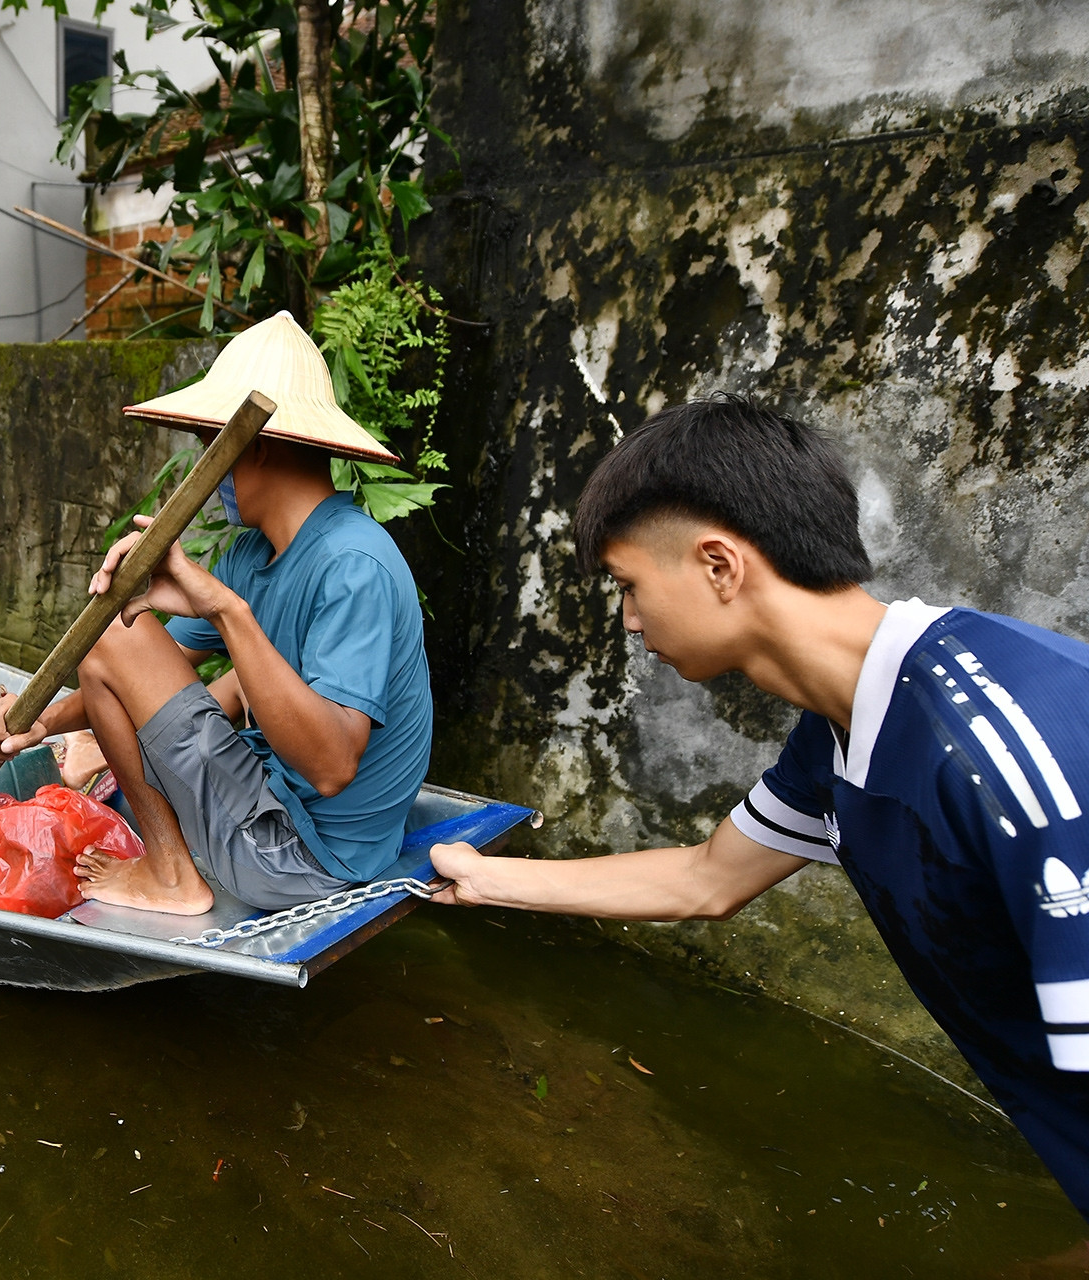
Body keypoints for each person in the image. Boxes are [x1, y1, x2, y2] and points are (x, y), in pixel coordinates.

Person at [428, 393, 1089, 1215]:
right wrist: (488, 881)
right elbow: (707, 879)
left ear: (719, 565)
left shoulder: (1017, 742)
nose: (629, 622)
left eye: (629, 586)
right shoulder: (839, 729)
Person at [0, 312, 433, 915]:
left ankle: (171, 874)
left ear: (257, 446)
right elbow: (132, 674)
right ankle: (174, 865)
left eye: (209, 448)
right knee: (118, 631)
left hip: (305, 861)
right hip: (275, 815)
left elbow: (330, 769)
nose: (203, 471)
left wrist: (224, 609)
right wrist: (43, 723)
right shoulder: (253, 553)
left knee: (112, 637)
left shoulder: (354, 564)